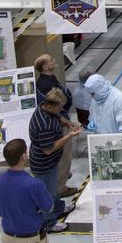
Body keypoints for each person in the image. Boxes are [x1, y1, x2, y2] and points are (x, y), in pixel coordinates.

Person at [28, 89, 83, 230]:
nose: (61, 110)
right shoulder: (43, 125)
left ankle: (59, 208)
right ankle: (50, 223)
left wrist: (67, 123)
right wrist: (69, 135)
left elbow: (58, 116)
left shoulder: (45, 106)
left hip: (51, 162)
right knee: (48, 195)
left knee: (54, 188)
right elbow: (48, 149)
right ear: (50, 106)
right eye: (59, 107)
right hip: (43, 164)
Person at [33, 53, 79, 197]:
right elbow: (49, 149)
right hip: (59, 130)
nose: (54, 60)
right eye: (51, 60)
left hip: (61, 121)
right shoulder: (46, 85)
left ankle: (60, 177)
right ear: (45, 67)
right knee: (64, 156)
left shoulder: (48, 79)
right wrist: (68, 132)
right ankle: (61, 187)